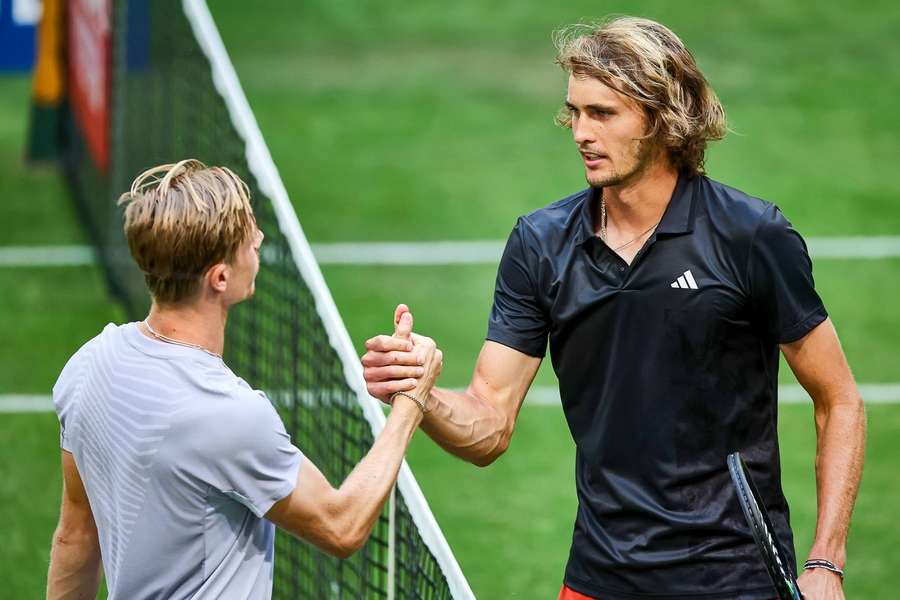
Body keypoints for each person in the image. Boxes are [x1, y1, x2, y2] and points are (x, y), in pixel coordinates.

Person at [360, 17, 866, 600]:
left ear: (660, 117)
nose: (580, 132)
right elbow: (489, 424)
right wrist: (421, 392)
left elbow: (839, 399)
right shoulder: (541, 245)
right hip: (601, 578)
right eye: (574, 112)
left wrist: (826, 562)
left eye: (603, 114)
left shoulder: (750, 237)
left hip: (735, 577)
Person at [46, 160, 441, 599]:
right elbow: (342, 525)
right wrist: (411, 400)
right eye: (248, 237)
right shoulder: (228, 414)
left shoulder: (87, 367)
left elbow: (75, 537)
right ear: (220, 277)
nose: (259, 239)